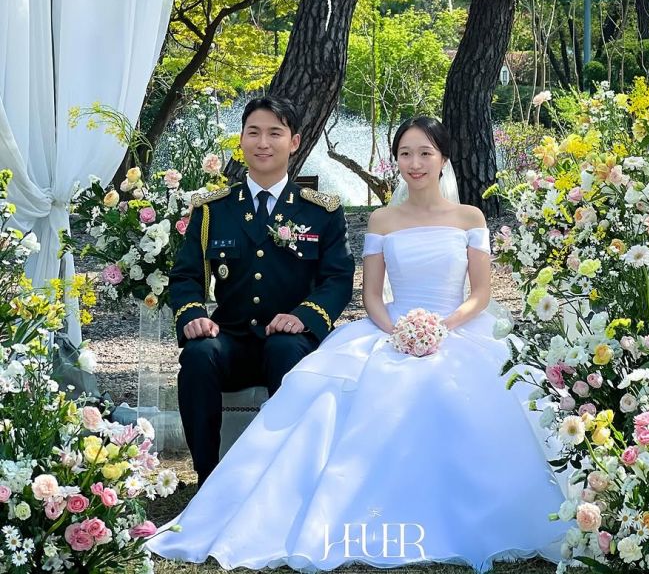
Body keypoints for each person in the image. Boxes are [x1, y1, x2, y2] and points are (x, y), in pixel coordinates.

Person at [151, 115, 566, 570]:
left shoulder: (469, 217)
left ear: (444, 159)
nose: (415, 163)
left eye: (425, 153)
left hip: (457, 328)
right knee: (310, 387)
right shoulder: (380, 219)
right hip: (387, 327)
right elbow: (370, 296)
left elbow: (480, 294)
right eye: (405, 154)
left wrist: (440, 328)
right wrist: (399, 331)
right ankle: (223, 483)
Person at [169, 94, 355, 486]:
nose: (263, 142)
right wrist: (194, 316)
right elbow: (186, 276)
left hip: (292, 341)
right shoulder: (213, 209)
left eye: (275, 133)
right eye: (253, 132)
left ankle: (286, 481)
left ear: (295, 141)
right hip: (232, 338)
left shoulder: (320, 210)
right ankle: (208, 480)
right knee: (198, 356)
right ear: (241, 140)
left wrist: (303, 317)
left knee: (284, 349)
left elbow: (337, 278)